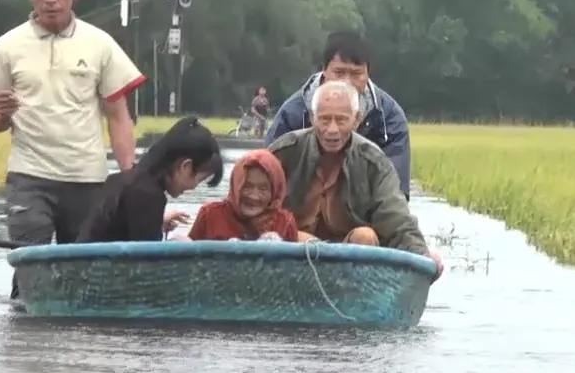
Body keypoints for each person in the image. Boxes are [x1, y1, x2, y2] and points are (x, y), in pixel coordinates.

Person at [0, 0, 145, 298]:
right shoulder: (8, 47)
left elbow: (118, 116)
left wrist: (130, 176)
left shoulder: (100, 45)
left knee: (79, 278)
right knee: (30, 272)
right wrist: (3, 112)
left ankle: (74, 351)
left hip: (86, 180)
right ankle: (23, 343)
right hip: (29, 179)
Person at [269, 81, 442, 277]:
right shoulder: (286, 150)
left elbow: (396, 217)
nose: (332, 130)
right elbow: (251, 202)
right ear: (312, 118)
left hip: (349, 256)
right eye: (325, 119)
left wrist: (422, 253)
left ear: (356, 119)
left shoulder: (373, 161)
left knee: (365, 236)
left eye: (341, 120)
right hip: (292, 250)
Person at [264, 31, 412, 199]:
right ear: (324, 71)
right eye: (339, 72)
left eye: (356, 74)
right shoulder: (293, 112)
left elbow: (397, 191)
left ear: (368, 74)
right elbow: (265, 177)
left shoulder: (389, 117)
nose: (347, 82)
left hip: (362, 209)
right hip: (302, 207)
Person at [77, 116, 224, 242]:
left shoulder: (124, 180)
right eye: (199, 179)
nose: (193, 187)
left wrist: (156, 222)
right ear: (185, 166)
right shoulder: (148, 196)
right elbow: (146, 266)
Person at [188, 149, 298, 242]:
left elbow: (296, 265)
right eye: (247, 186)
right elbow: (187, 259)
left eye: (263, 189)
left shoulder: (284, 223)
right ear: (236, 184)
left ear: (275, 191)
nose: (254, 196)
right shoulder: (210, 214)